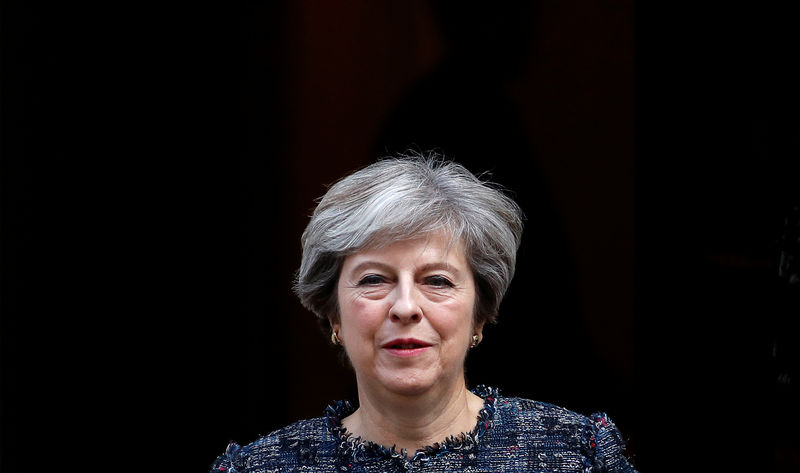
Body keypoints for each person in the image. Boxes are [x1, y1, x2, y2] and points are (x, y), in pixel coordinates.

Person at [210, 153, 638, 472]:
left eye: (437, 281)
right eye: (374, 279)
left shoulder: (578, 454)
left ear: (480, 315)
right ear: (333, 314)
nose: (406, 307)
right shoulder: (262, 467)